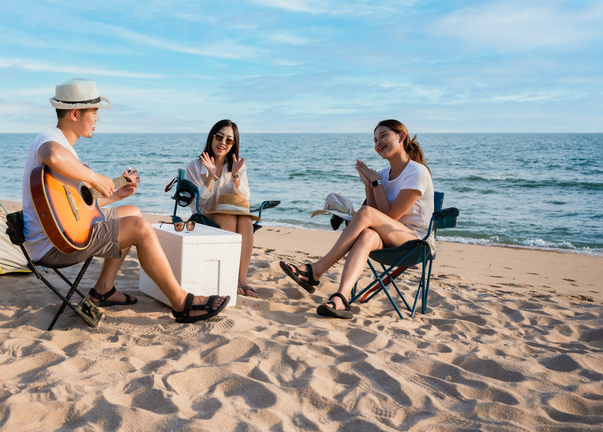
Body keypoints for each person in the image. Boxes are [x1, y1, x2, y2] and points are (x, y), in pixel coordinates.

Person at [22, 78, 229, 323]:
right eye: (94, 112)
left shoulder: (64, 146)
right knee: (140, 229)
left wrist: (116, 194)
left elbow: (75, 210)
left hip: (59, 230)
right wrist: (95, 177)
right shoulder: (52, 141)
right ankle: (182, 302)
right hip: (55, 243)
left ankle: (103, 289)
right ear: (75, 114)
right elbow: (52, 155)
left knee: (133, 212)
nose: (97, 118)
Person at [279, 119, 434, 319]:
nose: (378, 142)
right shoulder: (383, 174)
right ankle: (342, 298)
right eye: (375, 139)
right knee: (367, 235)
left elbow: (390, 216)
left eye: (383, 136)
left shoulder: (417, 171)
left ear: (401, 136)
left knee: (366, 217)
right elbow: (372, 211)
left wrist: (375, 181)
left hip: (417, 241)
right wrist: (369, 185)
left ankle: (316, 270)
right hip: (388, 236)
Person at [184, 119, 260, 298]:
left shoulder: (236, 165)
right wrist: (210, 177)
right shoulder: (195, 165)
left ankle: (242, 279)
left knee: (246, 220)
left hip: (232, 214)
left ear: (234, 144)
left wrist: (235, 176)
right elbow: (197, 205)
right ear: (212, 137)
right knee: (229, 217)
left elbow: (244, 198)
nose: (223, 143)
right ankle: (229, 278)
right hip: (204, 217)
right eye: (219, 137)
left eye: (229, 140)